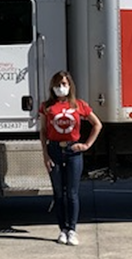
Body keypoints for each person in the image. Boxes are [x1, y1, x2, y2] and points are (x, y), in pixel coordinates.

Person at [39, 71, 102, 246]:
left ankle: (72, 230)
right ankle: (62, 230)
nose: (61, 87)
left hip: (73, 151)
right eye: (58, 84)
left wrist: (86, 145)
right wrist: (45, 154)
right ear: (52, 87)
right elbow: (43, 131)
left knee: (72, 193)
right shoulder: (46, 106)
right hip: (54, 151)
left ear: (70, 86)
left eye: (64, 84)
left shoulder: (78, 104)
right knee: (59, 193)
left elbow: (97, 124)